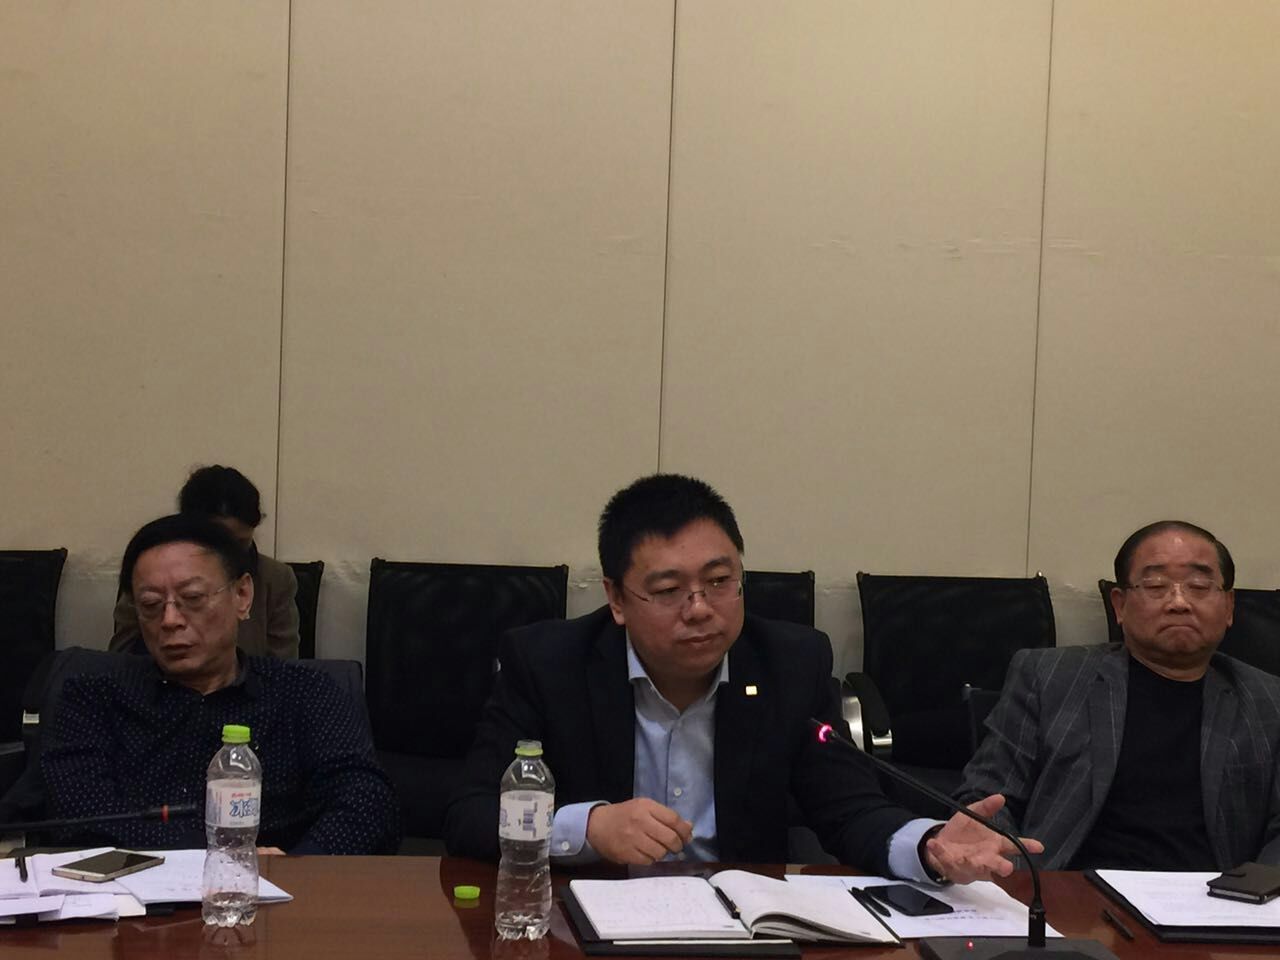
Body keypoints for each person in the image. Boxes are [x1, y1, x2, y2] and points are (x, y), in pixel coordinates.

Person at [445, 473, 1036, 881]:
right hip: (587, 922)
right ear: (617, 599)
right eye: (668, 590)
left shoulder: (790, 664)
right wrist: (588, 826)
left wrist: (928, 846)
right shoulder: (548, 663)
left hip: (742, 927)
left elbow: (849, 808)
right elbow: (470, 812)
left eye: (719, 581)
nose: (700, 608)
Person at [43, 513, 400, 854]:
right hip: (136, 888)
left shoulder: (305, 692)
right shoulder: (92, 695)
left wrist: (300, 865)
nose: (170, 620)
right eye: (151, 605)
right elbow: (80, 814)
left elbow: (367, 801)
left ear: (242, 595)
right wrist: (215, 862)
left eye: (193, 599)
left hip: (280, 886)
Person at [958, 520, 1280, 869]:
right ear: (1120, 605)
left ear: (1229, 607)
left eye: (1199, 586)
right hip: (1067, 889)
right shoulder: (1049, 677)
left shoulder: (1268, 701)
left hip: (1213, 895)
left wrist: (1252, 893)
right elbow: (988, 796)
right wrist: (1008, 869)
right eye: (1156, 585)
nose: (1179, 602)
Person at [110, 465, 299, 659]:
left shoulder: (275, 578)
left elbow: (284, 666)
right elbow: (122, 660)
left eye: (240, 543)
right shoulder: (151, 574)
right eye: (193, 597)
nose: (230, 555)